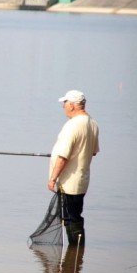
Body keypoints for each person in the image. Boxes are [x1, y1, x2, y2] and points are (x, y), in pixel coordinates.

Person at [48, 90, 99, 245]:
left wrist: (53, 178)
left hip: (70, 182)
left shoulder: (72, 126)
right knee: (75, 215)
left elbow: (64, 156)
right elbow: (94, 152)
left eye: (65, 103)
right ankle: (75, 257)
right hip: (82, 180)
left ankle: (75, 250)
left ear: (72, 105)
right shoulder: (93, 123)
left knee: (71, 219)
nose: (63, 107)